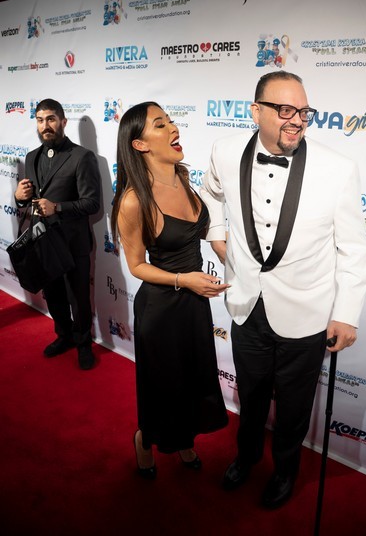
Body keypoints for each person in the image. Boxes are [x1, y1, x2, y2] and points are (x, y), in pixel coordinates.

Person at [199, 71, 366, 509]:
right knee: (251, 395)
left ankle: (285, 471)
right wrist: (216, 234)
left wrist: (346, 313)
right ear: (255, 111)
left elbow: (353, 248)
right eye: (286, 110)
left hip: (306, 313)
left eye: (304, 112)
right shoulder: (224, 150)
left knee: (294, 407)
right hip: (245, 305)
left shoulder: (338, 169)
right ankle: (247, 456)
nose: (297, 120)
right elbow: (210, 194)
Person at [111, 101, 229, 478]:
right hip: (161, 310)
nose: (173, 128)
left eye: (171, 121)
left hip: (194, 306)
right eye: (160, 125)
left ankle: (183, 439)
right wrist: (184, 279)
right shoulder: (133, 200)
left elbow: (202, 231)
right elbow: (136, 265)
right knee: (164, 387)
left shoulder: (183, 176)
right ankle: (145, 440)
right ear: (140, 144)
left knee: (192, 380)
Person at [14, 99, 101, 370]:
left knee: (79, 298)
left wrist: (58, 208)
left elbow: (92, 203)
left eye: (51, 119)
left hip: (73, 243)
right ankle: (64, 336)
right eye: (40, 120)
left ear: (63, 122)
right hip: (43, 241)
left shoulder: (82, 157)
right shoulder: (31, 157)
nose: (45, 126)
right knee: (53, 295)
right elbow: (32, 201)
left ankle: (84, 344)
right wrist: (20, 198)